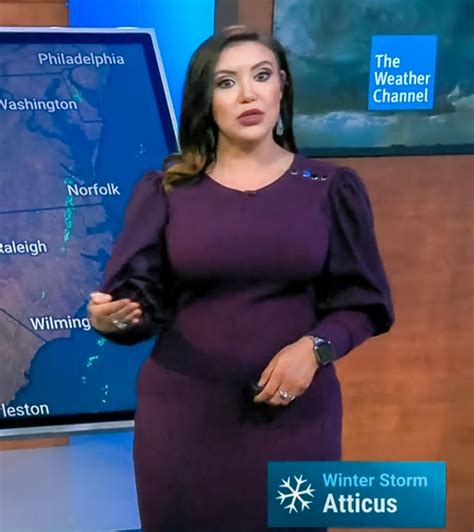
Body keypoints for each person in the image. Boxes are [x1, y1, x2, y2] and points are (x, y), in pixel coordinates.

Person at [88, 26, 394, 532]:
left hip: (296, 422)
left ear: (283, 86)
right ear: (205, 101)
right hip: (184, 424)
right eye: (226, 82)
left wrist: (315, 349)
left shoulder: (330, 188)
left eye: (262, 76)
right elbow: (137, 305)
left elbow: (366, 303)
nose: (248, 94)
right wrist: (112, 319)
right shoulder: (167, 190)